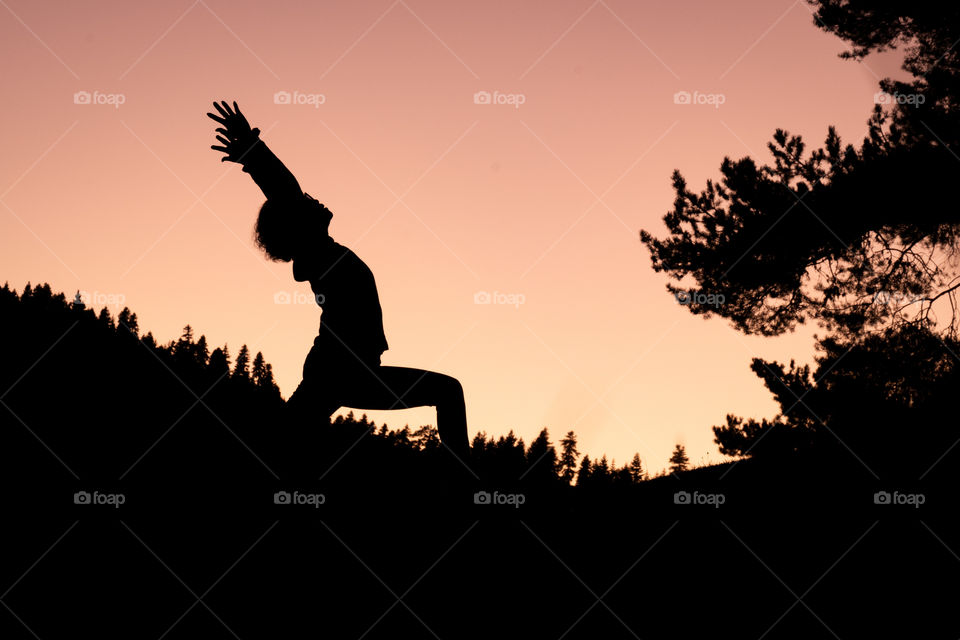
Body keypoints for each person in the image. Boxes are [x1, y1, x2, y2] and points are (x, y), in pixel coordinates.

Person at [206, 100, 471, 472]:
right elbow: (285, 188)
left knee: (279, 450)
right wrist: (252, 150)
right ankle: (470, 483)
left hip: (345, 373)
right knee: (447, 391)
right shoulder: (317, 255)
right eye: (306, 203)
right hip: (341, 373)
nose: (315, 199)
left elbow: (290, 195)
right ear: (297, 224)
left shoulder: (323, 255)